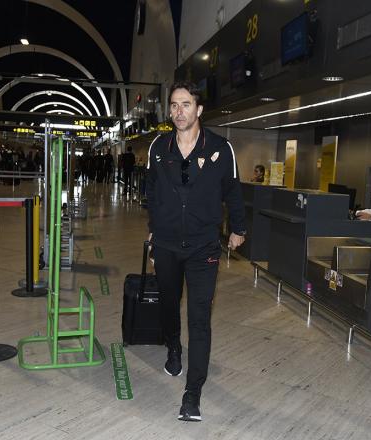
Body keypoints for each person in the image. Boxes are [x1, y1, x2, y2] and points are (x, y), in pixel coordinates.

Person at [145, 81, 246, 422]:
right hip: (167, 243)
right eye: (174, 105)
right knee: (169, 304)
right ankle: (173, 346)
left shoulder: (221, 147)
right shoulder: (158, 148)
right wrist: (153, 225)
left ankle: (193, 394)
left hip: (204, 245)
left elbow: (233, 191)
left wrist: (239, 227)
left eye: (186, 104)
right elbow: (152, 190)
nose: (179, 111)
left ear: (199, 110)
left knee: (200, 319)